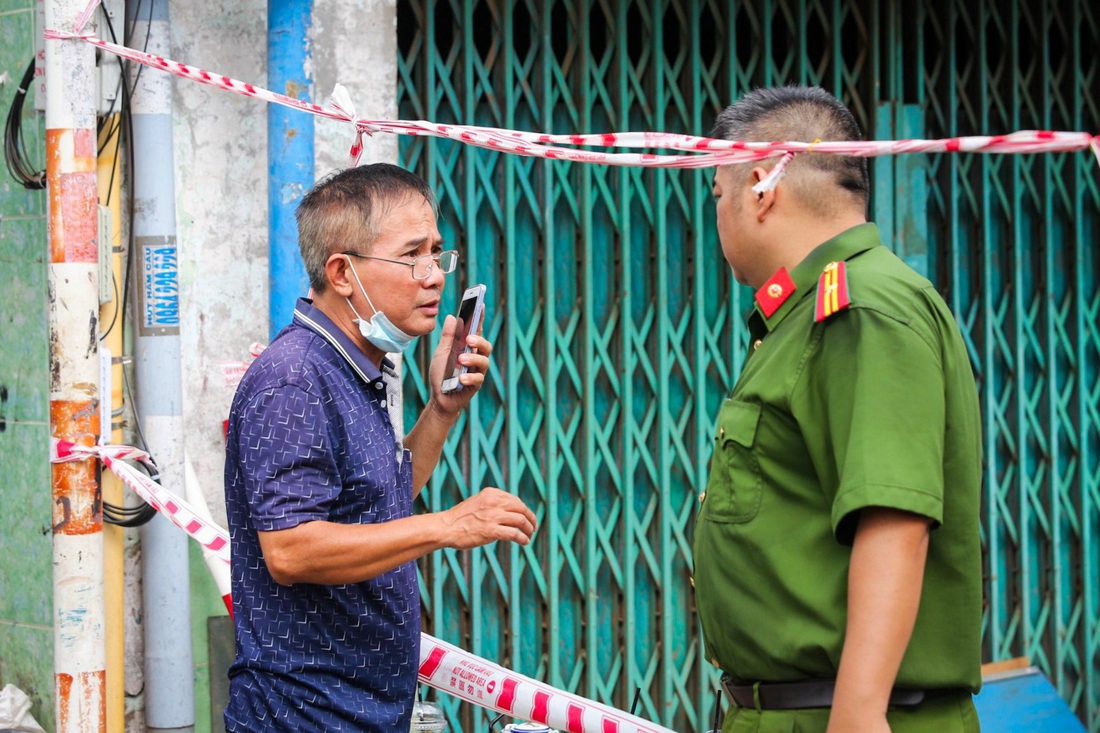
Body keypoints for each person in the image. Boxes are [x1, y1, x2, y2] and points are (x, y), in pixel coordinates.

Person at [693, 86, 983, 733]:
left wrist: (856, 712)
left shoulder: (862, 307)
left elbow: (894, 517)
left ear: (763, 185)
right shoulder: (801, 314)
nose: (717, 214)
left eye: (718, 193)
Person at [223, 163, 538, 732]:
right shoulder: (295, 379)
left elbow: (376, 502)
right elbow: (292, 550)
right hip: (305, 717)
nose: (434, 275)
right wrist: (447, 526)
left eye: (438, 253)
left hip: (362, 712)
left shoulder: (356, 371)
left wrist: (442, 410)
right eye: (412, 255)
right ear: (343, 272)